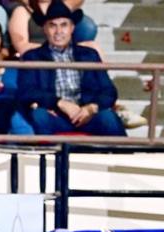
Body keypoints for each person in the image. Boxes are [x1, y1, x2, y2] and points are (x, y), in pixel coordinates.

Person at [18, 0, 126, 136]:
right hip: (55, 116)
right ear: (44, 28)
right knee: (39, 116)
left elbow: (109, 91)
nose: (58, 31)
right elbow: (26, 92)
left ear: (72, 28)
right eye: (52, 26)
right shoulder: (33, 57)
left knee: (108, 118)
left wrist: (91, 108)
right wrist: (59, 103)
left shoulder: (89, 55)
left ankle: (124, 155)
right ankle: (50, 157)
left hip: (87, 116)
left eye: (64, 25)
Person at [8, 0, 99, 57]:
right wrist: (55, 49)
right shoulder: (22, 11)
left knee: (94, 47)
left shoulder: (62, 7)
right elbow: (21, 45)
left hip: (66, 51)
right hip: (38, 55)